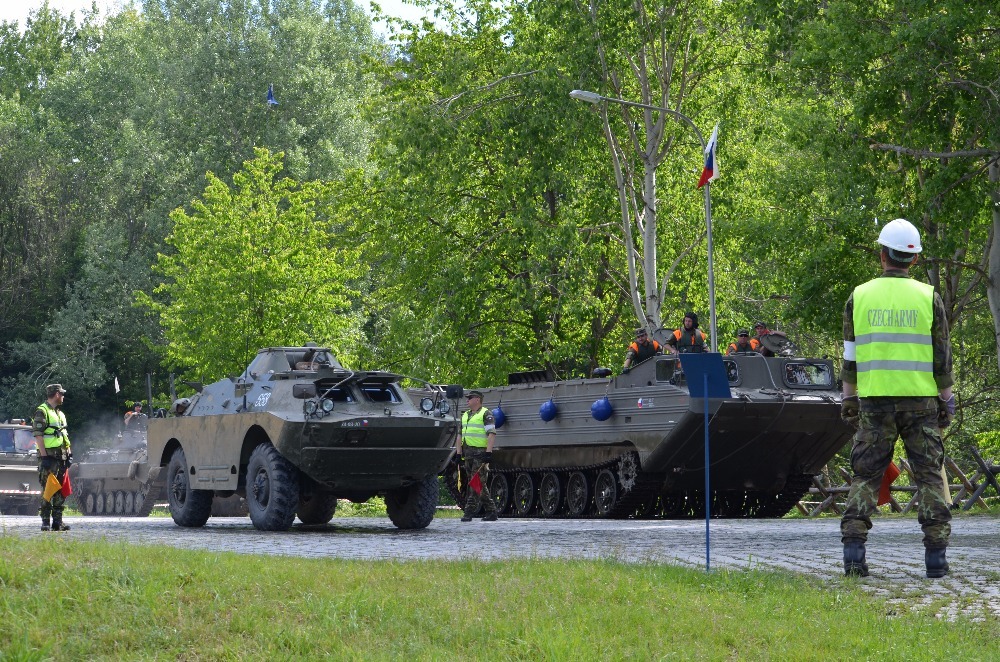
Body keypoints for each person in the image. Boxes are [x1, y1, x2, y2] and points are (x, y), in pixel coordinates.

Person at [839, 218, 955, 579]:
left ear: (881, 255)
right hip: (921, 403)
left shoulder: (858, 297)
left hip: (874, 402)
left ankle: (854, 554)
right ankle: (936, 559)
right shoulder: (928, 297)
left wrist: (849, 401)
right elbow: (942, 358)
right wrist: (946, 401)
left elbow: (850, 359)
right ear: (915, 260)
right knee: (930, 478)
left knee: (866, 476)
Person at [33, 384, 72, 532]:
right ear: (56, 394)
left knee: (60, 489)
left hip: (61, 457)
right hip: (49, 456)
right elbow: (38, 435)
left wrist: (69, 453)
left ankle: (58, 522)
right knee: (48, 489)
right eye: (61, 394)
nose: (63, 396)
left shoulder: (60, 413)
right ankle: (45, 522)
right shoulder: (42, 411)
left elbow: (64, 435)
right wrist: (44, 457)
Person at [455, 390, 498, 522]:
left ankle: (468, 512)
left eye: (470, 398)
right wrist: (458, 453)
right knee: (477, 483)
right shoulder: (465, 415)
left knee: (475, 483)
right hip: (468, 454)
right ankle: (491, 511)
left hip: (480, 454)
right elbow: (459, 435)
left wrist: (488, 453)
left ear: (477, 399)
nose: (467, 400)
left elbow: (491, 434)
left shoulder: (486, 414)